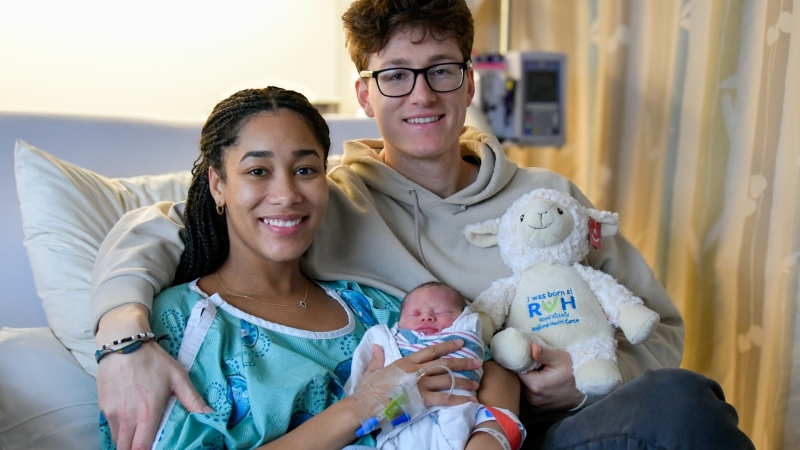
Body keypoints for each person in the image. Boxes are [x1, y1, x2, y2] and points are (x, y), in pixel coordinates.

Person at [91, 0, 755, 448]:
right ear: (364, 94)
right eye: (397, 76)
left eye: (441, 71)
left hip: (556, 430)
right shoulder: (325, 199)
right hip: (418, 430)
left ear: (470, 82)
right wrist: (121, 333)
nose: (422, 95)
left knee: (682, 402)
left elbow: (662, 331)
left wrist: (581, 379)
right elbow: (168, 224)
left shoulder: (549, 201)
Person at [94, 87, 504, 449]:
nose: (286, 194)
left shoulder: (370, 308)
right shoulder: (177, 327)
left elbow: (484, 365)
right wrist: (362, 407)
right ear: (219, 185)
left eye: (305, 170)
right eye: (258, 172)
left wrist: (492, 437)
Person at [347, 281, 525, 450]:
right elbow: (360, 375)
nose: (427, 317)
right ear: (399, 322)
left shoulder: (462, 335)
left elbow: (493, 368)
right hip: (396, 417)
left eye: (440, 312)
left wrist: (490, 434)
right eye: (415, 314)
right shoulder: (388, 339)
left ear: (462, 317)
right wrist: (358, 397)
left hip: (454, 409)